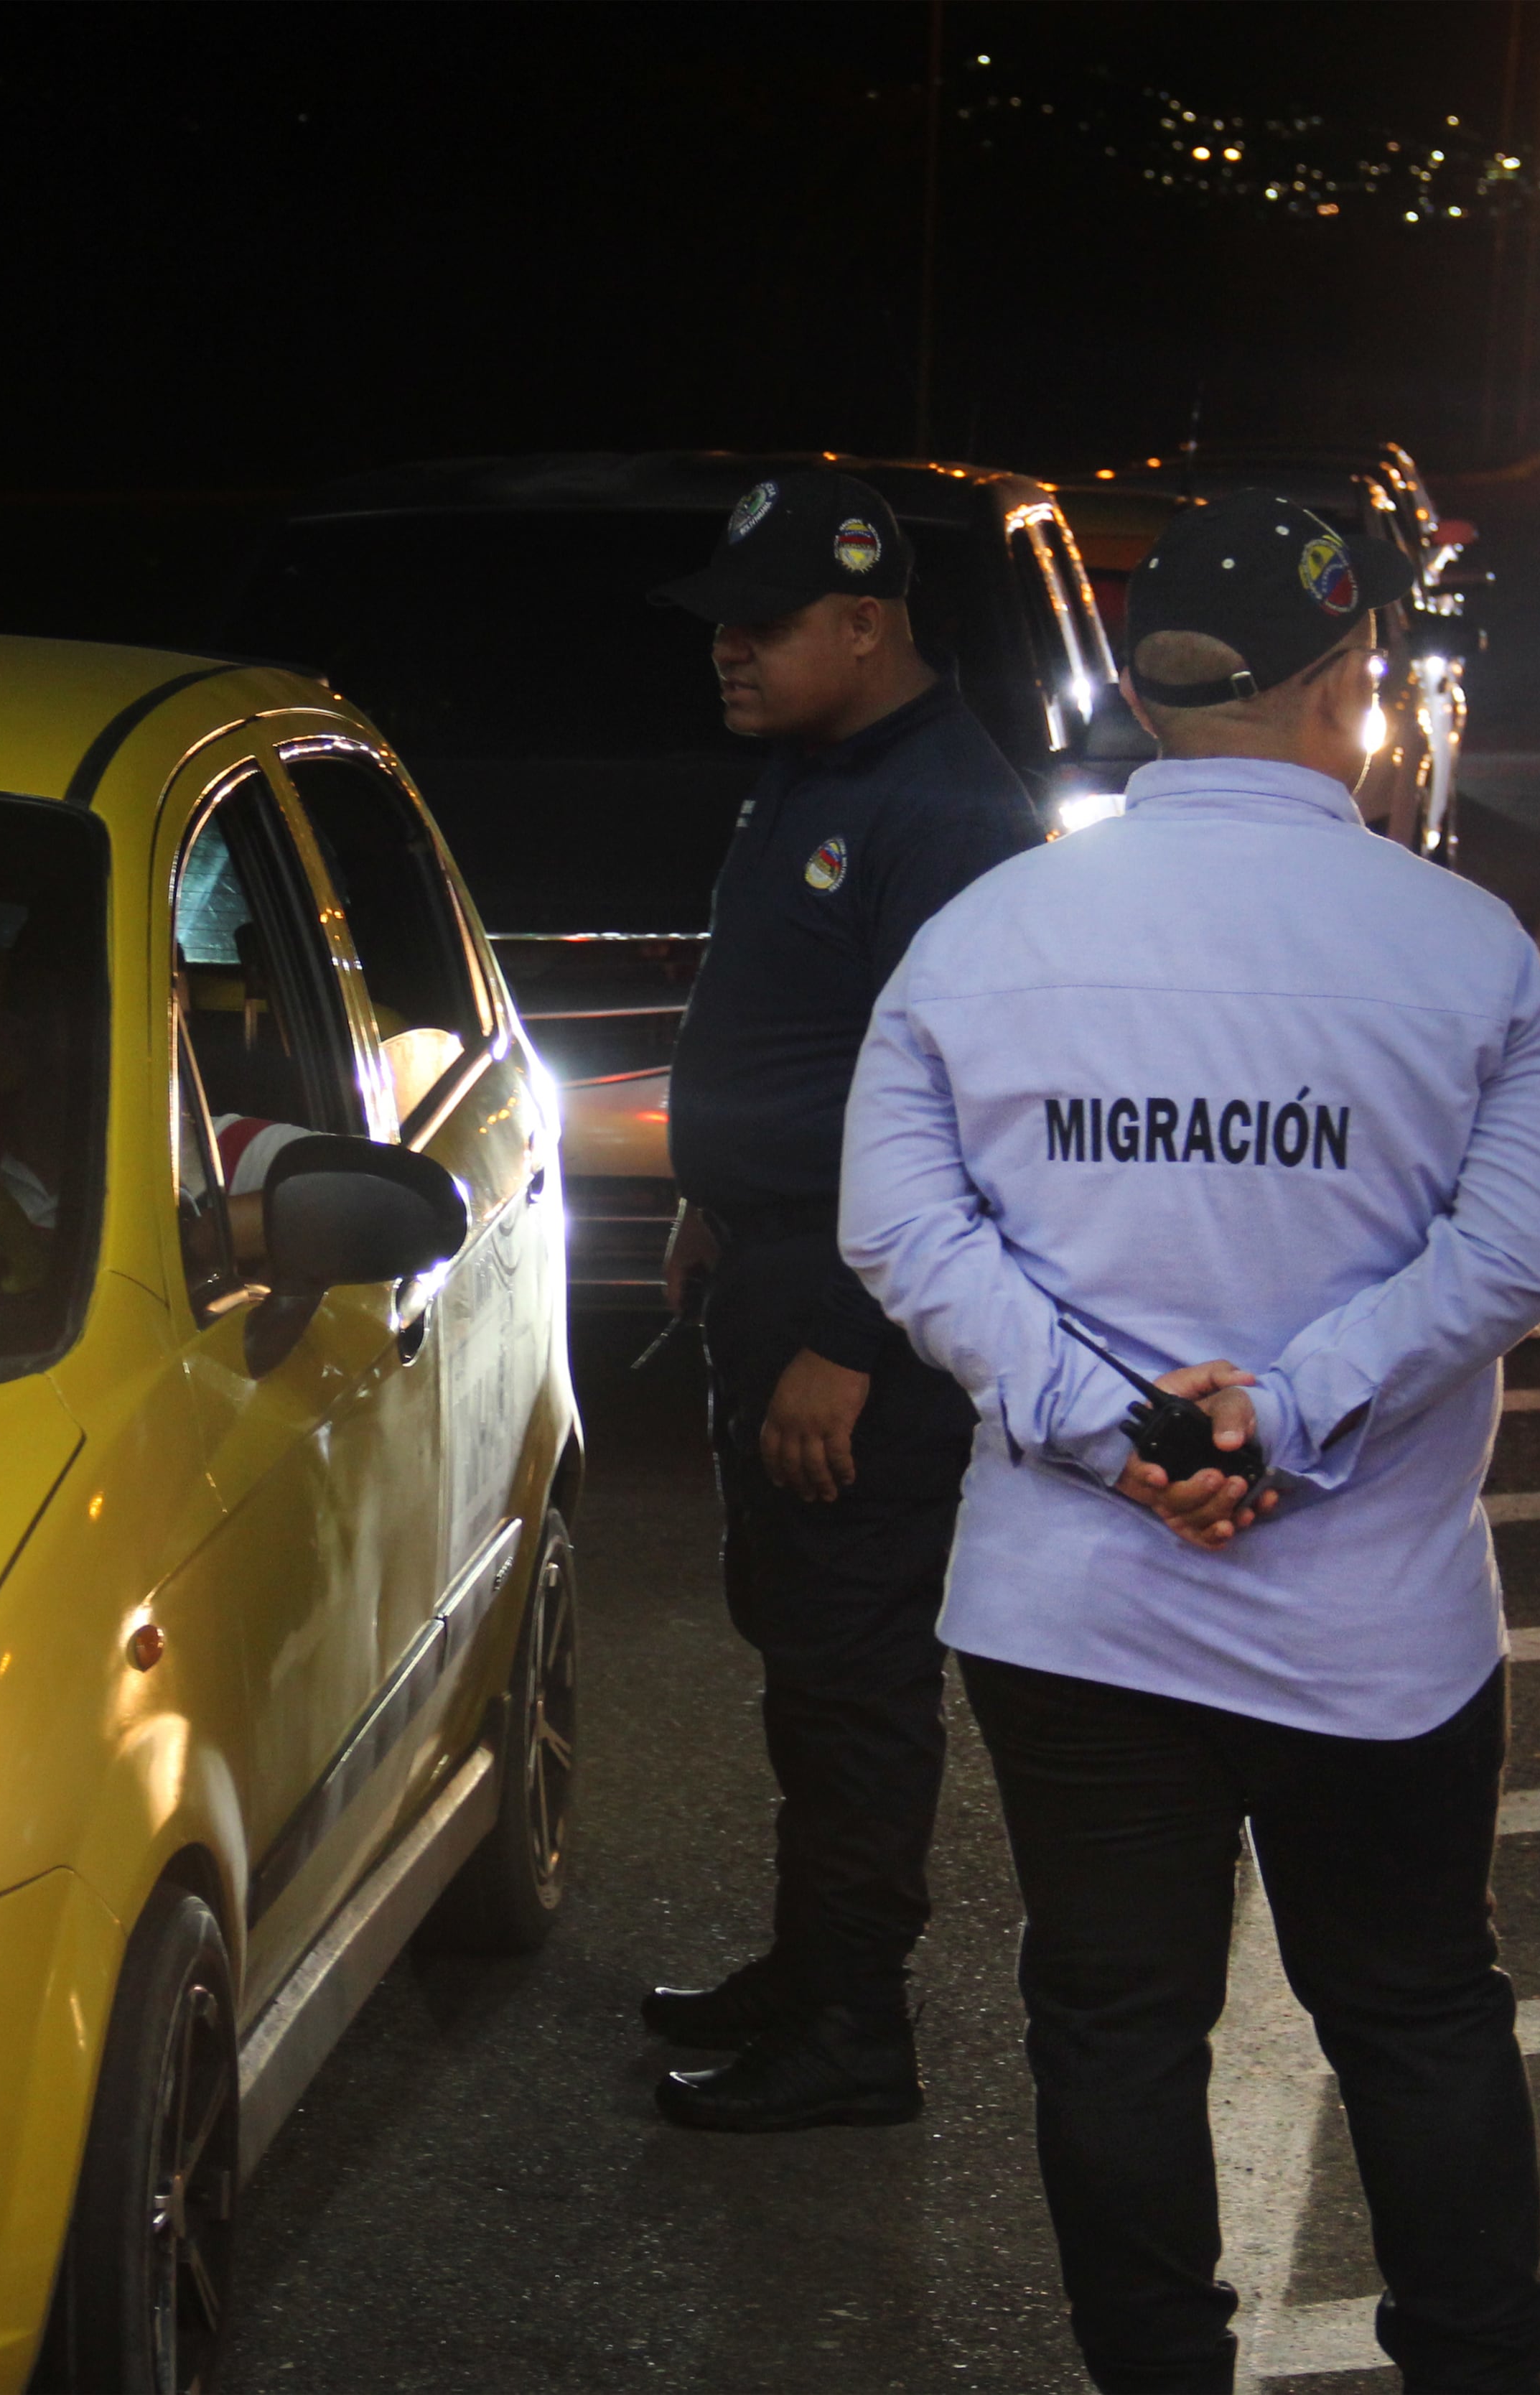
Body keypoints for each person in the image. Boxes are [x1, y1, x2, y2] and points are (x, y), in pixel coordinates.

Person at [838, 488, 1540, 2394]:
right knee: (1417, 2010)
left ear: (1145, 689)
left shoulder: (977, 939)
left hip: (1074, 1602)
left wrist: (1115, 1428)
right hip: (1375, 1611)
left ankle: (1159, 2370)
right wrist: (1297, 1400)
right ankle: (1477, 2368)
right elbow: (1518, 1250)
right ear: (1348, 683)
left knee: (1110, 2016)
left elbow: (902, 1231)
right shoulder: (1470, 953)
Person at [638, 465, 1039, 2133]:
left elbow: (965, 1107)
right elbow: (804, 1038)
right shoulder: (823, 766)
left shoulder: (943, 812)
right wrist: (713, 1205)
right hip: (781, 1249)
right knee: (804, 1651)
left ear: (865, 622)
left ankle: (855, 2028)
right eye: (722, 621)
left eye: (763, 622)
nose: (726, 649)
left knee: (855, 1671)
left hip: (853, 1294)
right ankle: (810, 1971)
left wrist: (847, 1341)